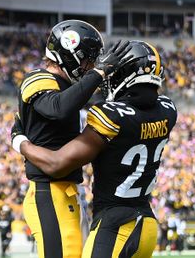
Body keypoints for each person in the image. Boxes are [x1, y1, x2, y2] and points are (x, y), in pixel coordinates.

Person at [13, 40, 177, 257]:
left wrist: (19, 140)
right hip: (146, 223)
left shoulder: (110, 116)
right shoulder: (167, 110)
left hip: (115, 225)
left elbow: (56, 163)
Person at [14, 19, 132, 258]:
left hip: (68, 189)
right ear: (70, 55)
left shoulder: (70, 88)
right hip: (50, 190)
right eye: (88, 60)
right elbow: (57, 108)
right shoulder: (38, 78)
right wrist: (98, 73)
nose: (90, 67)